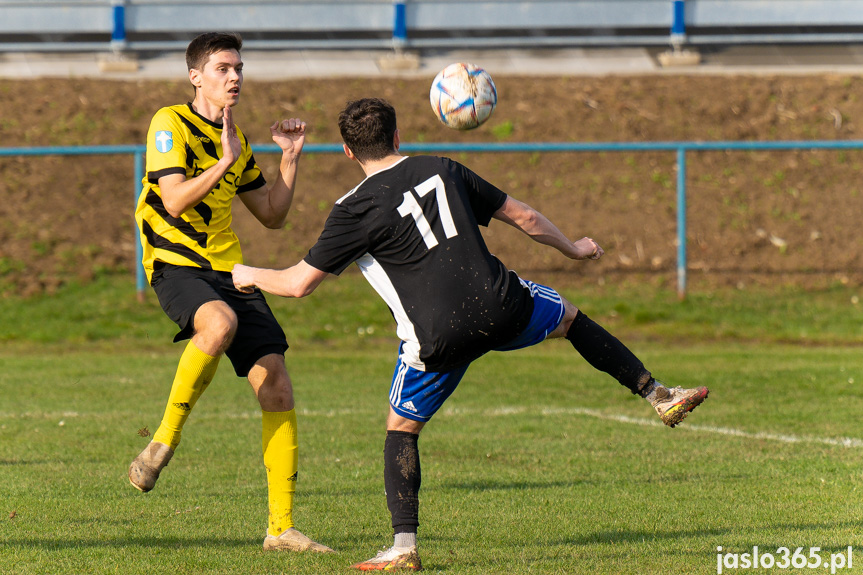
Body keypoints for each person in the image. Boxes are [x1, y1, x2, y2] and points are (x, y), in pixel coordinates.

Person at [231, 97, 709, 570]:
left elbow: (298, 284)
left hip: (437, 336)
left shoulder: (352, 209)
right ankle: (657, 392)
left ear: (348, 152)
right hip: (501, 304)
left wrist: (247, 272)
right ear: (398, 137)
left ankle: (403, 547)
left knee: (402, 430)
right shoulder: (442, 167)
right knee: (568, 319)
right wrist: (573, 248)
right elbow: (524, 217)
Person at [130, 32, 332, 553]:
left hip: (229, 268)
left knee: (277, 384)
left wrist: (289, 158)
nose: (235, 76)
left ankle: (280, 529)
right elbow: (172, 201)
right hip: (176, 262)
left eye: (238, 67)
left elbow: (272, 215)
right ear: (196, 76)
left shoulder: (235, 139)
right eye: (222, 68)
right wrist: (221, 162)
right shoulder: (169, 122)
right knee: (218, 323)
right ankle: (162, 442)